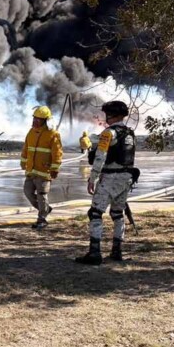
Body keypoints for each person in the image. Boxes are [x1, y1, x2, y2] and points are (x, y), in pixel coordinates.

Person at [76, 101, 136, 265]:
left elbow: (100, 156)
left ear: (112, 115)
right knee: (118, 214)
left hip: (110, 177)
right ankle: (117, 251)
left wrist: (92, 177)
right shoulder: (130, 133)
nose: (105, 117)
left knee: (95, 213)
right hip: (126, 178)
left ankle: (94, 253)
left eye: (107, 114)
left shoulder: (108, 133)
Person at [21, 106, 63, 230]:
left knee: (42, 195)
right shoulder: (31, 132)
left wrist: (55, 169)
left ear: (45, 121)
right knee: (27, 192)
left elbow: (58, 153)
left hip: (44, 172)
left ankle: (42, 219)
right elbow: (26, 148)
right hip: (31, 171)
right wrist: (23, 162)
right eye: (34, 118)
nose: (35, 121)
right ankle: (45, 209)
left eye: (38, 119)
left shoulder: (53, 134)